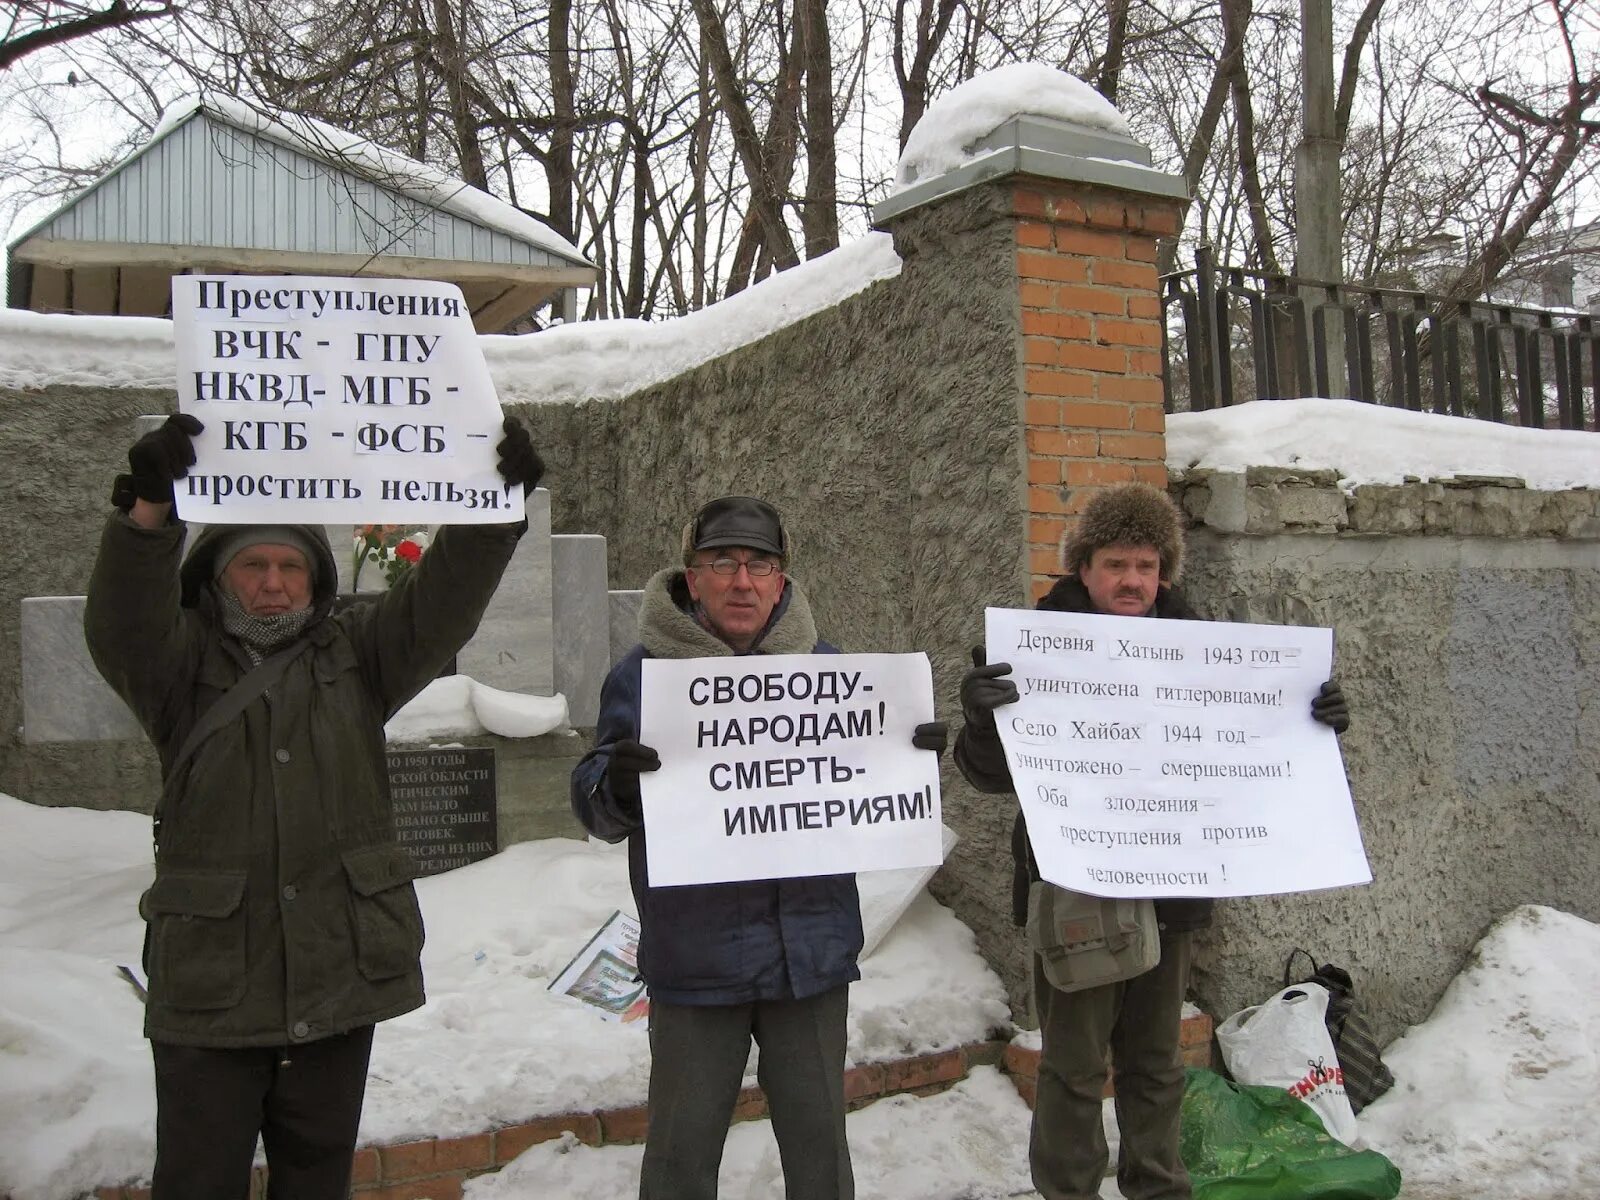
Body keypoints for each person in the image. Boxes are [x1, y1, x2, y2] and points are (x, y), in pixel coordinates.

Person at [84, 411, 545, 1199]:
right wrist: (148, 516)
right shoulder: (179, 663)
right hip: (213, 994)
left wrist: (492, 514)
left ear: (316, 577)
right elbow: (121, 624)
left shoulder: (359, 657)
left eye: (290, 566)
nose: (272, 583)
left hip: (336, 984)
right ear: (219, 577)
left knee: (315, 1184)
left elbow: (441, 604)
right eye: (252, 566)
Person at [953, 482, 1349, 1200]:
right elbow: (987, 779)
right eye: (1115, 564)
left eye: (1145, 564)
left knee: (1157, 1062)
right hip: (1080, 892)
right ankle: (1069, 1191)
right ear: (1084, 569)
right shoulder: (1036, 651)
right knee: (1072, 1067)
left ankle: (1159, 1187)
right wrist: (982, 720)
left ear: (1163, 572)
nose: (1131, 580)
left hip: (1172, 891)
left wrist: (1312, 724)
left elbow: (1249, 758)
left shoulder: (1206, 656)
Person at [572, 495, 946, 1200]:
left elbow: (863, 785)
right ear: (692, 577)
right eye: (723, 562)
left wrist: (910, 753)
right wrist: (614, 785)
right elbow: (593, 797)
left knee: (821, 1156)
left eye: (760, 564)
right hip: (696, 964)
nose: (742, 580)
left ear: (782, 580)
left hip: (809, 960)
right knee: (681, 1156)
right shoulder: (643, 676)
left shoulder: (831, 672)